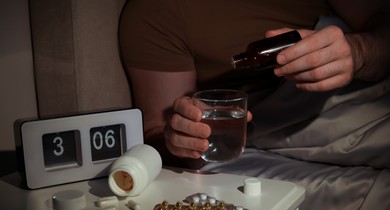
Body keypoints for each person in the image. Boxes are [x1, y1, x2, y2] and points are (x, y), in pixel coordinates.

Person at [119, 0, 390, 169]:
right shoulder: (154, 12)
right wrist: (179, 138)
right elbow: (157, 132)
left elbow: (382, 29)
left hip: (366, 88)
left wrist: (359, 52)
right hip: (279, 117)